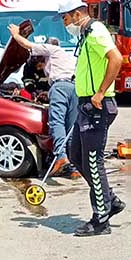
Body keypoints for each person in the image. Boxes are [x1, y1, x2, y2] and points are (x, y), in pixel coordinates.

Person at [57, 0, 126, 236]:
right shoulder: (86, 35)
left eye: (66, 18)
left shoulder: (96, 31)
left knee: (93, 163)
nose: (65, 24)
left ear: (77, 14)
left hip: (97, 106)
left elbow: (116, 59)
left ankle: (100, 219)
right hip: (86, 106)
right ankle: (109, 200)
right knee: (76, 155)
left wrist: (100, 92)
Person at [7, 25, 79, 177]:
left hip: (60, 88)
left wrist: (15, 35)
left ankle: (61, 157)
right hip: (75, 88)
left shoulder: (52, 50)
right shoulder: (67, 56)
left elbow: (28, 45)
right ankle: (73, 166)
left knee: (56, 123)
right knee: (70, 127)